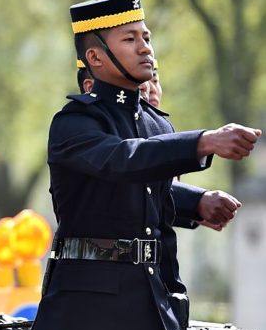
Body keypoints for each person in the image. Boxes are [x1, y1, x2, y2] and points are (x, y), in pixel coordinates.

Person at [31, 0, 260, 330]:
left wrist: (197, 202)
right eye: (129, 39)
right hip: (84, 320)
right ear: (96, 58)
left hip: (150, 318)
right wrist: (203, 141)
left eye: (146, 37)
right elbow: (122, 161)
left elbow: (147, 188)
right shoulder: (75, 122)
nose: (145, 49)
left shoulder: (155, 122)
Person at [76, 59, 241, 232]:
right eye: (137, 83)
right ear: (90, 87)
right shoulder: (82, 128)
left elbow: (155, 197)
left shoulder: (160, 130)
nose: (149, 89)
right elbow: (130, 171)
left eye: (154, 80)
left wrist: (193, 210)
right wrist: (197, 200)